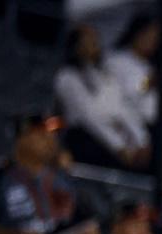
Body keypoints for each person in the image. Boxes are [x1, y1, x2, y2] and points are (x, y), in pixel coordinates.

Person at [55, 25, 151, 172]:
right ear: (76, 47)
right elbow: (89, 116)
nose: (93, 45)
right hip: (86, 139)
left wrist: (141, 141)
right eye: (87, 41)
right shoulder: (67, 77)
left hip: (115, 136)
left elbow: (121, 108)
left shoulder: (104, 75)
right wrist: (118, 147)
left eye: (95, 40)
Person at [106, 13, 162, 128]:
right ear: (136, 34)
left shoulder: (154, 64)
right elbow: (129, 90)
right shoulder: (116, 60)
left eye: (156, 37)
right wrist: (151, 82)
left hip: (158, 124)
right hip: (127, 125)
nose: (152, 41)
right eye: (148, 36)